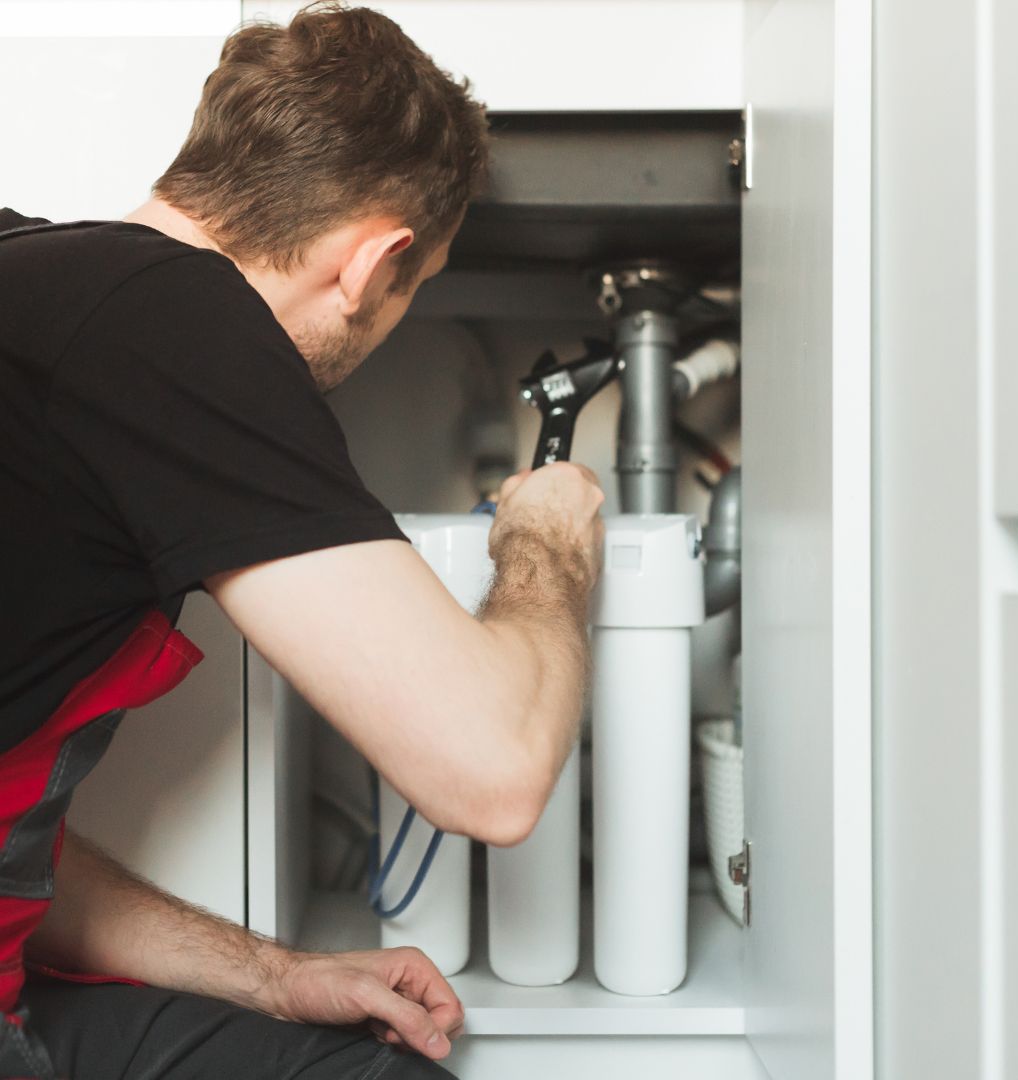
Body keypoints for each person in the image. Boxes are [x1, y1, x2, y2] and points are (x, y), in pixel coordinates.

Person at [0, 3, 604, 1077]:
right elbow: (496, 772)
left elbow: (13, 855)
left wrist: (279, 974)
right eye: (412, 293)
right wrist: (547, 538)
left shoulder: (41, 281)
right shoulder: (173, 320)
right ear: (378, 262)